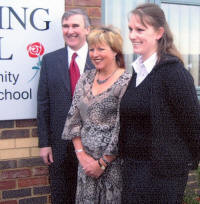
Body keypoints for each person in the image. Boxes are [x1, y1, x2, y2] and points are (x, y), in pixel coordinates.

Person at [119, 3, 200, 204]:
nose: (132, 35)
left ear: (159, 32)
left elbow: (193, 126)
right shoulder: (137, 73)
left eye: (140, 29)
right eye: (130, 29)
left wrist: (179, 165)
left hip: (163, 178)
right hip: (133, 172)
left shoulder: (174, 74)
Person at [62, 26, 131, 203]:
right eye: (92, 49)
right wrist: (82, 156)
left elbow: (123, 127)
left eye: (101, 49)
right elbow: (73, 117)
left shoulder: (127, 81)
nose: (95, 54)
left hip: (113, 165)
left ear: (115, 50)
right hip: (85, 164)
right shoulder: (85, 78)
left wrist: (102, 163)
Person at [37, 9, 95, 204]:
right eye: (66, 26)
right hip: (60, 145)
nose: (70, 31)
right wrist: (44, 143)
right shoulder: (49, 61)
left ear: (87, 29)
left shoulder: (101, 59)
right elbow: (43, 103)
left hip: (93, 145)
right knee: (62, 195)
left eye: (75, 26)